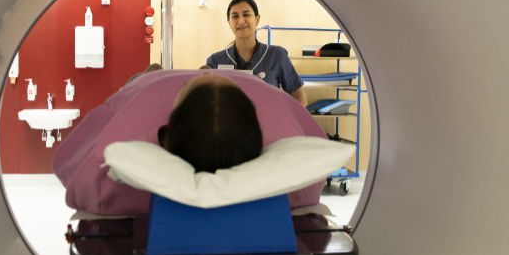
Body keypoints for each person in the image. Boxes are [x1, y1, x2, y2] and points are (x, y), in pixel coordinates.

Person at [52, 69, 326, 216]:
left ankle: (149, 72)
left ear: (166, 133)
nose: (204, 73)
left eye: (190, 85)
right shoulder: (271, 106)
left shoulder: (140, 103)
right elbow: (315, 149)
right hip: (244, 86)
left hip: (152, 83)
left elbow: (71, 164)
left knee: (142, 76)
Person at [205, 0, 308, 106]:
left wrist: (281, 120)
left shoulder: (276, 56)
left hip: (267, 122)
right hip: (230, 123)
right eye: (235, 16)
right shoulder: (215, 61)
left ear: (257, 19)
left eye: (246, 14)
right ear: (229, 23)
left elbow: (300, 99)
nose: (240, 21)